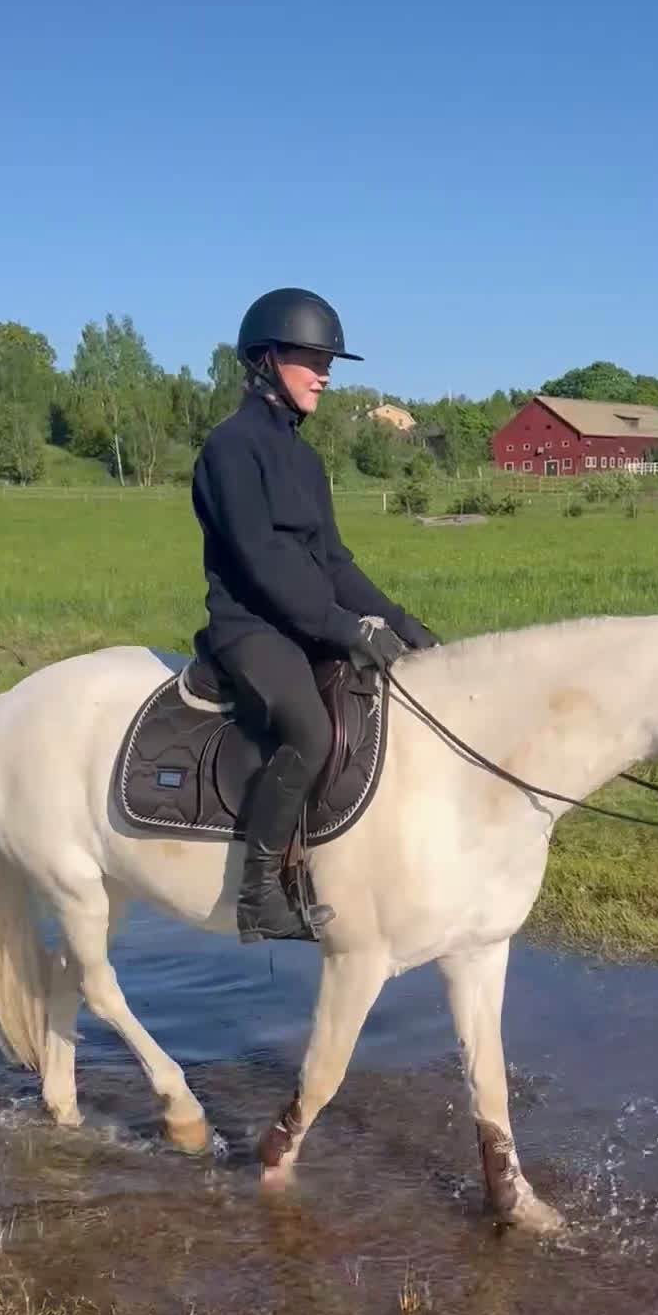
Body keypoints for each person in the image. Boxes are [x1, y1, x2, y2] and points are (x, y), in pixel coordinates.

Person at [189, 287, 439, 943]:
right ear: (266, 359)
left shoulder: (304, 458)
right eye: (311, 358)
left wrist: (403, 624)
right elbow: (262, 561)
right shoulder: (229, 450)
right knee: (311, 730)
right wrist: (345, 629)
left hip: (305, 622)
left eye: (329, 360)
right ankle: (260, 895)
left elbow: (332, 561)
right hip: (251, 628)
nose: (325, 372)